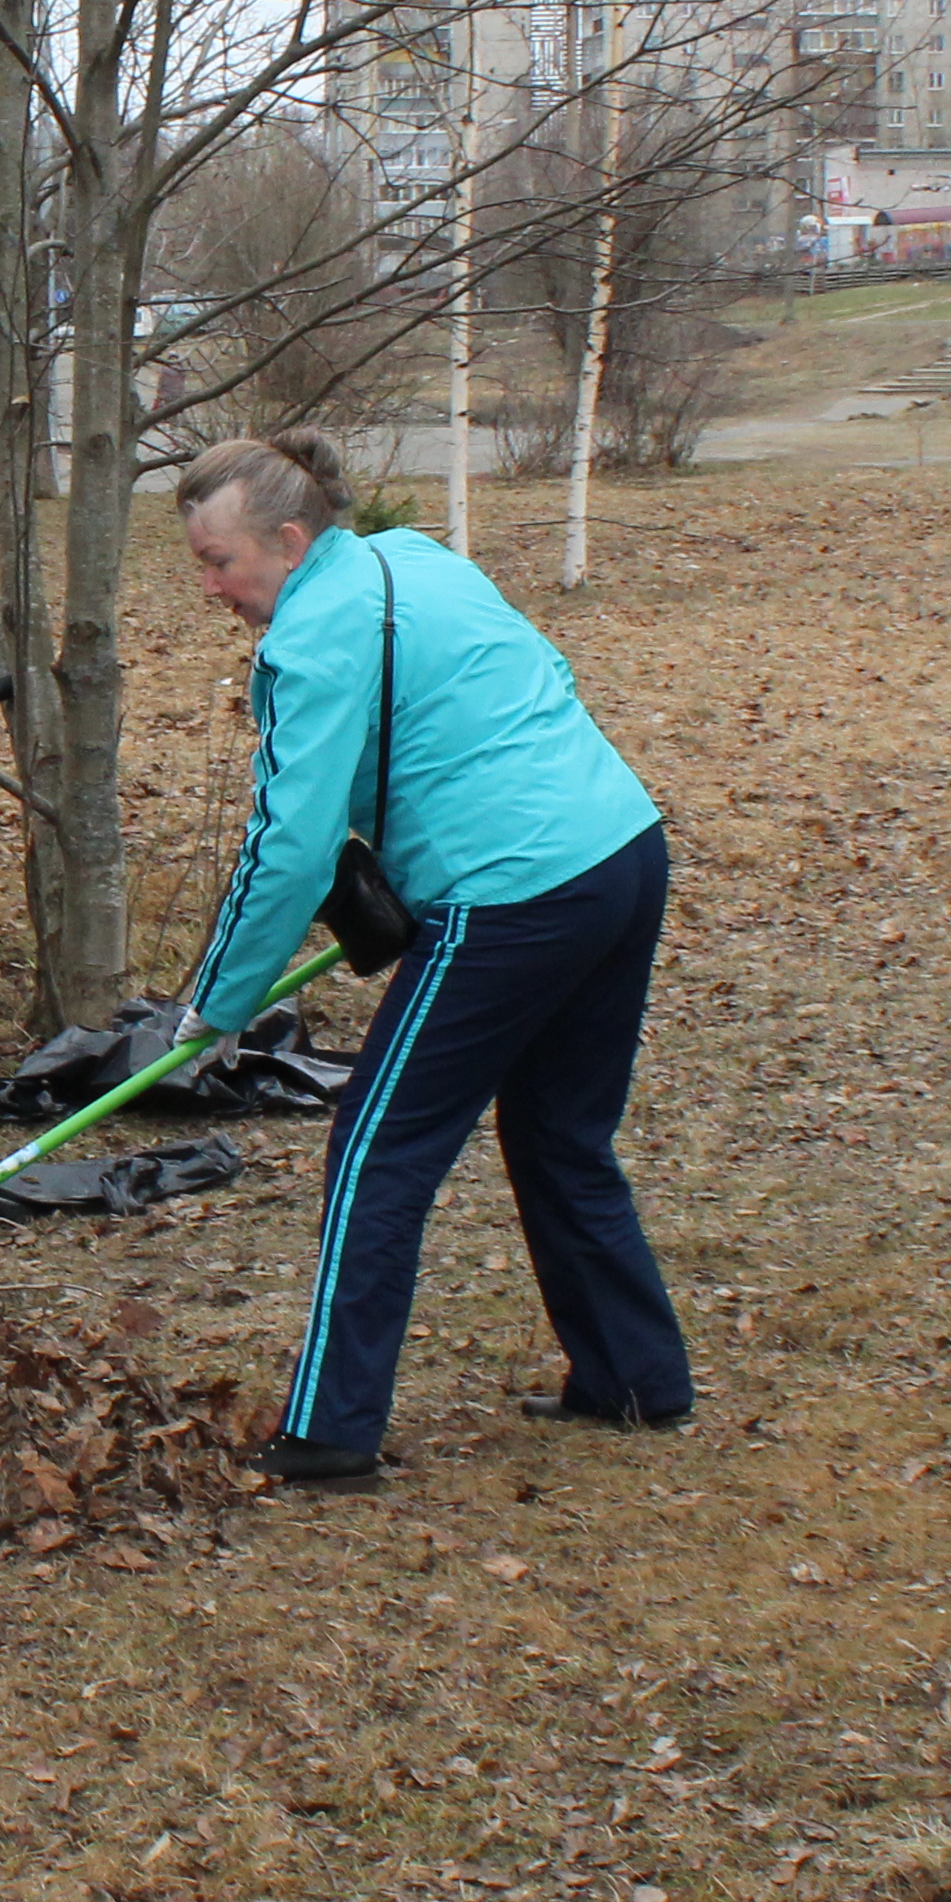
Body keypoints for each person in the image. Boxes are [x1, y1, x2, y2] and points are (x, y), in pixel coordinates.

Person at [171, 430, 688, 1490]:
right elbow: (537, 679)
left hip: (512, 897)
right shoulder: (417, 561)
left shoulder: (309, 635)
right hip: (620, 854)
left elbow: (289, 844)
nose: (212, 586)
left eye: (220, 562)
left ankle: (329, 1433)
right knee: (560, 1133)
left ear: (290, 537)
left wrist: (217, 1010)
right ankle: (635, 1381)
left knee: (377, 1149)